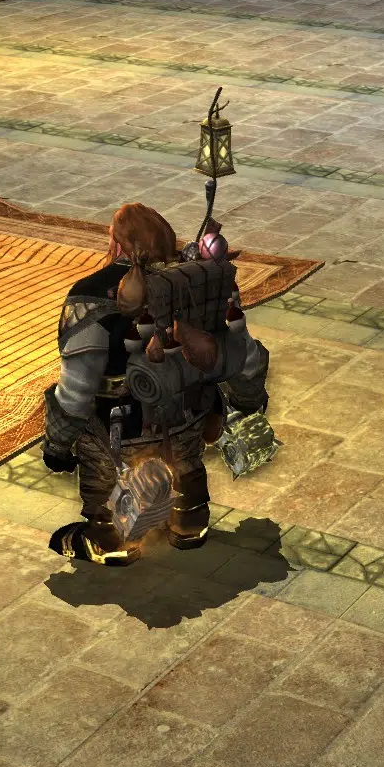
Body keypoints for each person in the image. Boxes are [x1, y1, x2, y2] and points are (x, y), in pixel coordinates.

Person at [42, 202, 271, 565]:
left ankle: (110, 538)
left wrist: (56, 446)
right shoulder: (202, 280)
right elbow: (241, 351)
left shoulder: (90, 294)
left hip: (118, 430)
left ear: (117, 242)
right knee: (186, 460)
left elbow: (76, 389)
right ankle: (189, 523)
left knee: (102, 464)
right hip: (190, 416)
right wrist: (249, 398)